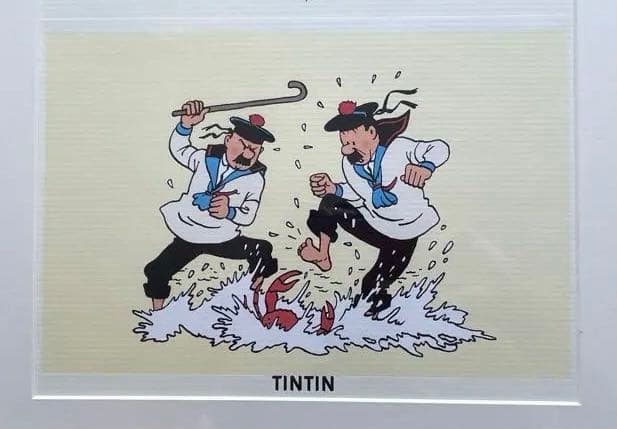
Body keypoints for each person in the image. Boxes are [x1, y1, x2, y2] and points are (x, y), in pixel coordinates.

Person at [298, 99, 450, 316]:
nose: (346, 148)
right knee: (330, 203)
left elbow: (440, 147)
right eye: (344, 141)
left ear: (372, 132)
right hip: (374, 224)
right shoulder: (350, 164)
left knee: (371, 287)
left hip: (404, 234)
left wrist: (426, 167)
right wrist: (334, 188)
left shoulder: (399, 148)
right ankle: (323, 254)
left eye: (352, 141)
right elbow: (360, 193)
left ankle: (375, 317)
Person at [144, 99, 278, 310]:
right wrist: (185, 125)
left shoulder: (255, 179)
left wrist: (229, 212)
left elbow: (248, 214)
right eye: (243, 145)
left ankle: (254, 298)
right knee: (156, 270)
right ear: (228, 140)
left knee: (263, 250)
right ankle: (157, 313)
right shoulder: (204, 159)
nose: (248, 154)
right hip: (189, 232)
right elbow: (179, 149)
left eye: (254, 149)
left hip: (222, 237)